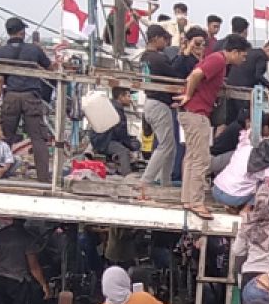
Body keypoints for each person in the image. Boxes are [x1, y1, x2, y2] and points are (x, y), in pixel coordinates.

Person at [173, 33, 250, 217]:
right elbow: (196, 74)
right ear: (235, 52)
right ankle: (196, 202)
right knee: (201, 160)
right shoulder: (218, 60)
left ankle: (188, 198)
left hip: (191, 113)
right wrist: (188, 95)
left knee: (192, 158)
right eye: (243, 55)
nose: (244, 58)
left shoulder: (218, 62)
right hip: (197, 112)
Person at [0, 17, 53, 183]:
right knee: (38, 138)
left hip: (10, 96)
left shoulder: (0, 52)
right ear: (22, 32)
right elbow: (50, 67)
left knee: (6, 137)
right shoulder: (34, 50)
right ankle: (43, 177)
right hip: (31, 97)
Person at [140, 24, 179, 187]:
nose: (166, 42)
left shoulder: (144, 58)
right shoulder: (158, 58)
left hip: (149, 102)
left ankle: (165, 181)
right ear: (155, 39)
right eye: (164, 39)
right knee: (166, 145)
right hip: (158, 103)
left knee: (170, 146)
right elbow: (175, 73)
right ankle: (146, 181)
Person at [0, 219, 50, 304]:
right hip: (19, 282)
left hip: (1, 279)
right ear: (24, 220)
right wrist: (44, 285)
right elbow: (34, 267)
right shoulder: (27, 238)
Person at [213, 135, 269, 207]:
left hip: (216, 189)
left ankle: (231, 204)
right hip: (232, 198)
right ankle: (247, 208)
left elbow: (246, 137)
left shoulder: (246, 149)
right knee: (264, 184)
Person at [225, 38, 269, 122]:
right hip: (243, 90)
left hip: (231, 85)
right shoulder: (262, 57)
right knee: (245, 118)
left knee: (231, 119)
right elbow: (258, 76)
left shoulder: (251, 51)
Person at [90, 87, 140, 176]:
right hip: (104, 141)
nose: (130, 99)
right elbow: (121, 132)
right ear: (121, 97)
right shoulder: (117, 110)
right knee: (124, 151)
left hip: (101, 138)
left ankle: (117, 165)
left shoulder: (111, 105)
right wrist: (130, 146)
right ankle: (127, 175)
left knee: (130, 144)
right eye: (128, 96)